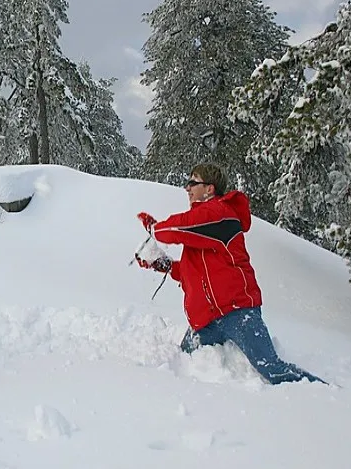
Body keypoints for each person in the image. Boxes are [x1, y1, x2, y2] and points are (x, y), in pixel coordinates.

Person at [135, 163, 325, 386]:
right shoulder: (202, 230)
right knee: (183, 360)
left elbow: (177, 228)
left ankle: (327, 395)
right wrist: (162, 264)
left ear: (209, 189)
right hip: (207, 320)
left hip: (237, 311)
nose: (187, 188)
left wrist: (154, 229)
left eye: (193, 183)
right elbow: (190, 272)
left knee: (271, 368)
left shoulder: (219, 215)